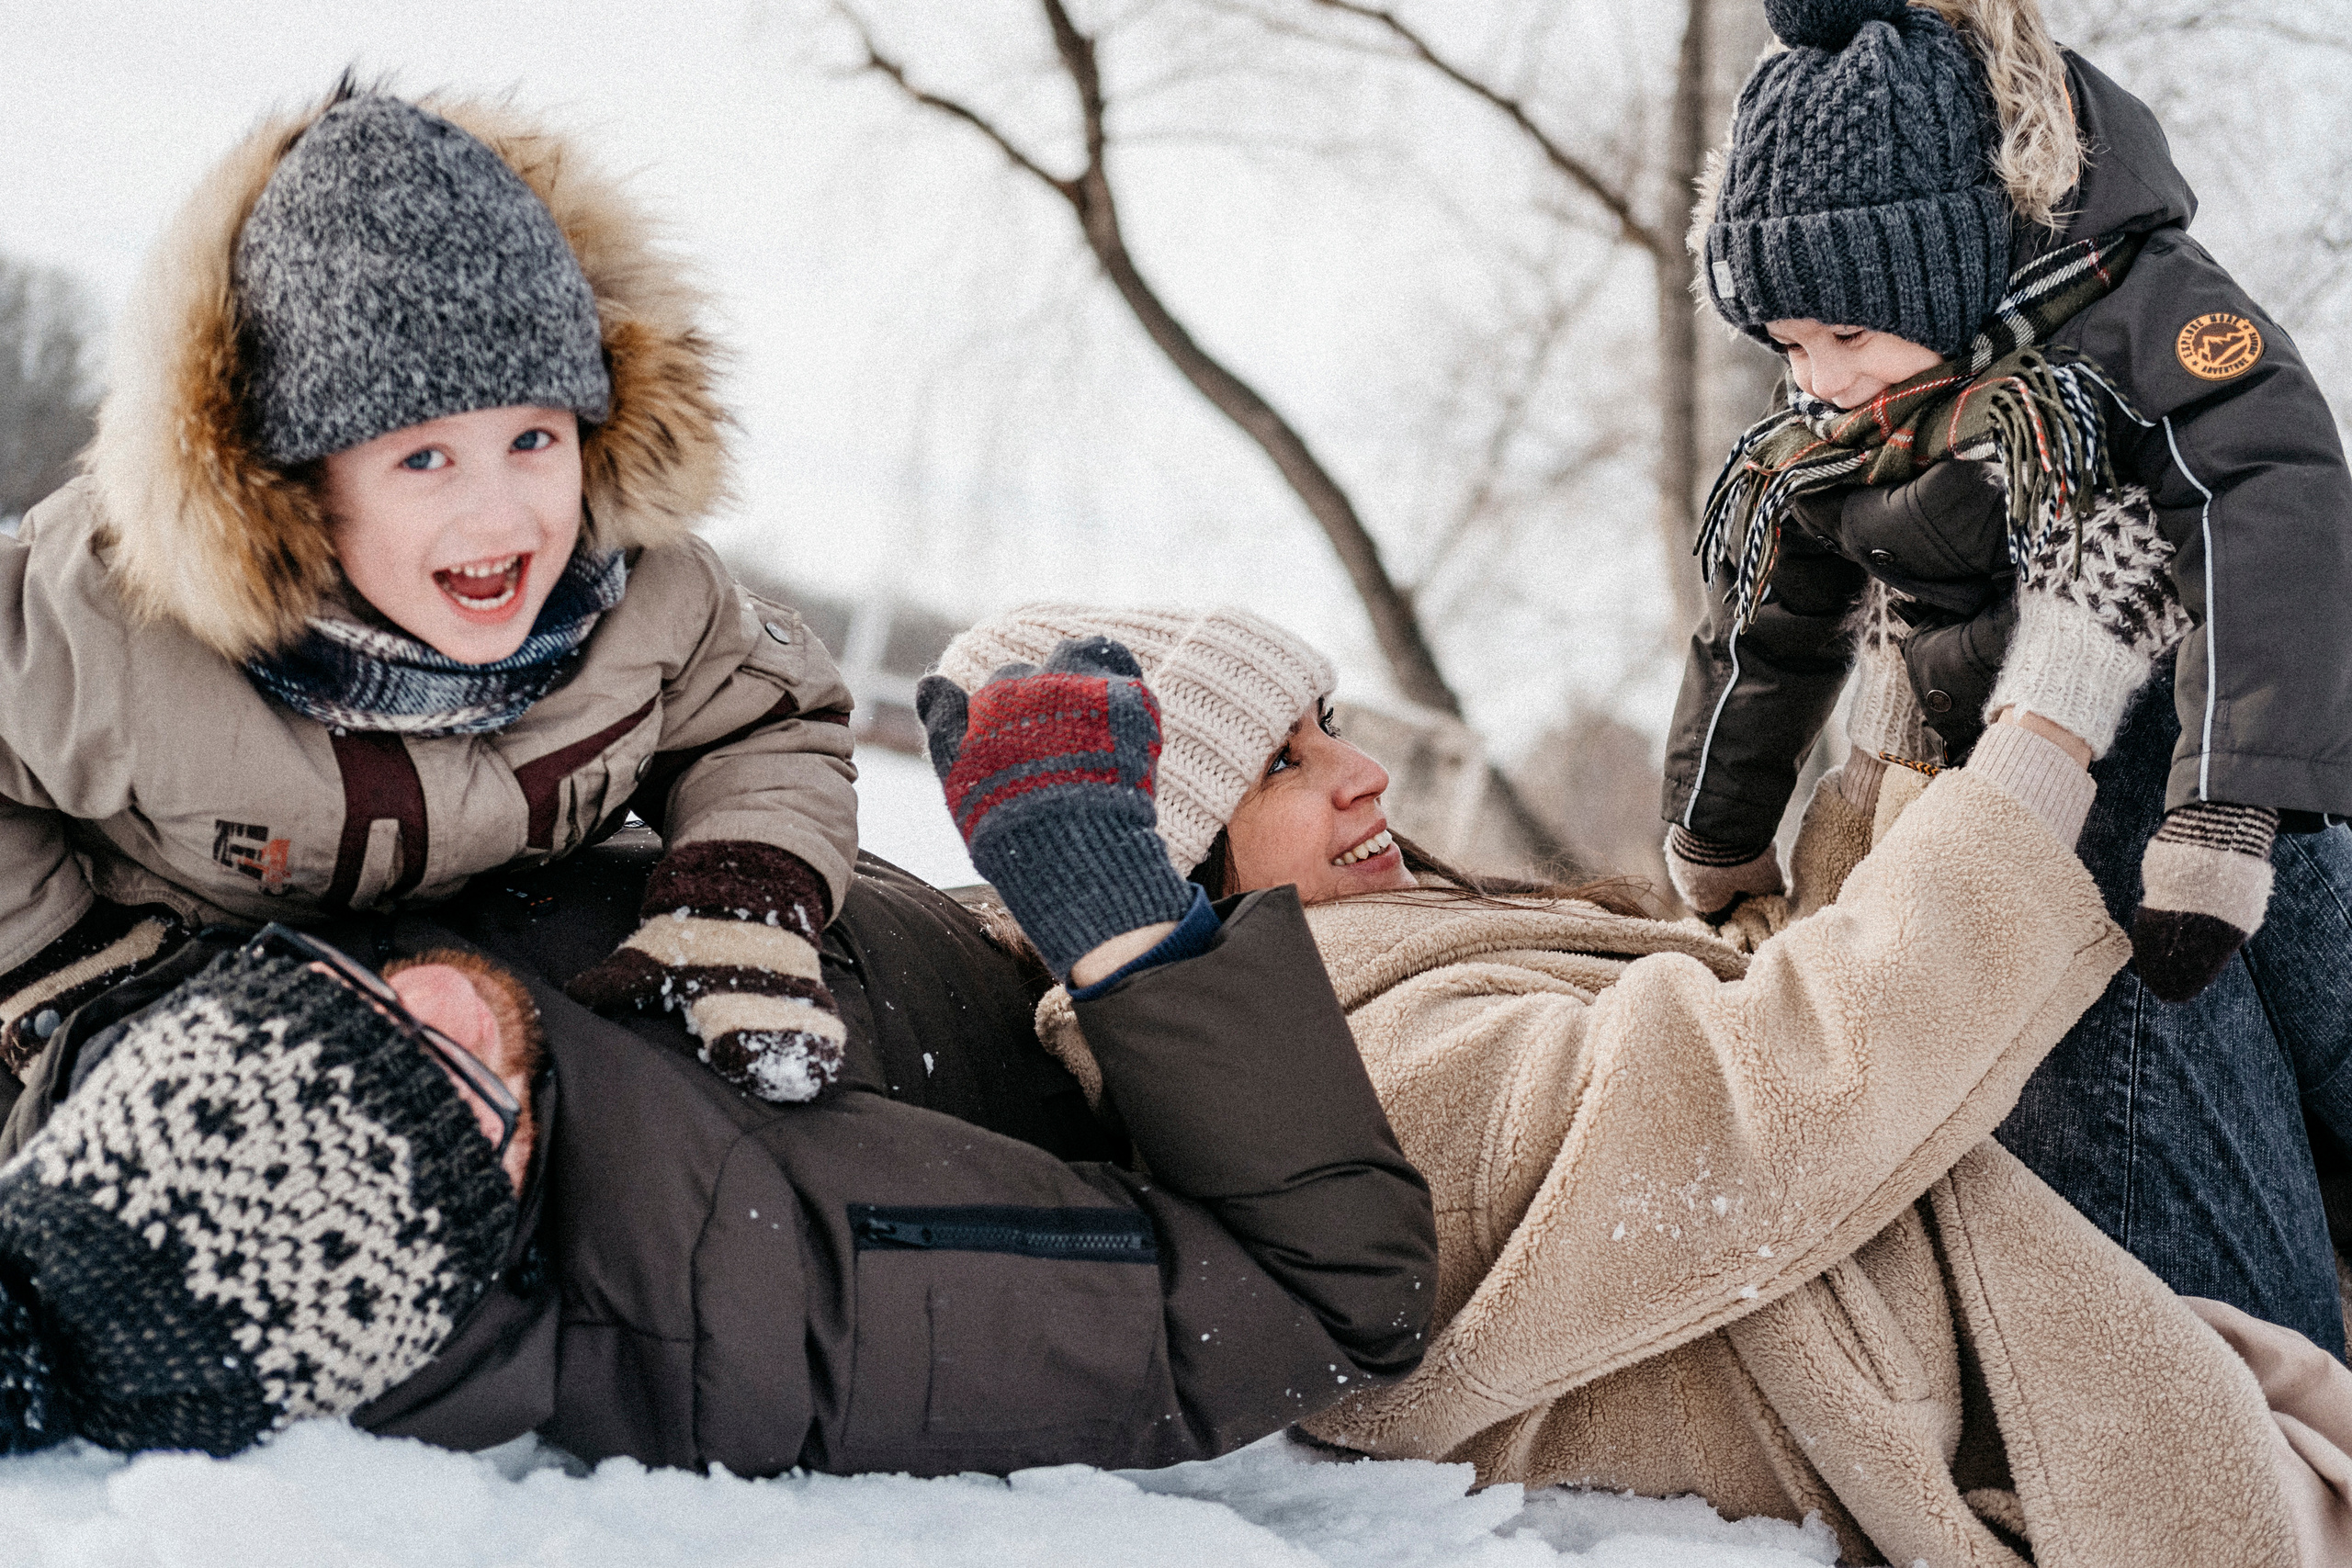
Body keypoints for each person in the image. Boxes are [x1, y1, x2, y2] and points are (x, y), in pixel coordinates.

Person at [931, 582, 2352, 1565]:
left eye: (1328, 720)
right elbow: (1775, 1089)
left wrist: (1898, 714)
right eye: (1279, 765)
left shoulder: (1369, 977)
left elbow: (1756, 991)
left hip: (2062, 1286)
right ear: (1167, 858)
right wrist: (2044, 722)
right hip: (2087, 1416)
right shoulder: (1337, 1088)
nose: (1362, 771)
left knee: (2182, 752)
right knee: (2160, 740)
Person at [0, 648, 1437, 1472]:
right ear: (462, 1248)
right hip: (1135, 1002)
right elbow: (1331, 1295)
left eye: (344, 1005)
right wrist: (1119, 910)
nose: (428, 1000)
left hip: (913, 904)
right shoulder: (741, 1285)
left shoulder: (108, 1077)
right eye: (437, 1099)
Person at [1658, 0, 2352, 1353]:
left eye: (1845, 335)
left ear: (1943, 269)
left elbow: (2269, 495)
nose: (1817, 382)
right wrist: (1716, 831)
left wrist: (2221, 823)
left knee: (2325, 1013)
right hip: (2032, 774)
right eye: (1786, 345)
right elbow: (1767, 626)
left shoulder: (2129, 310)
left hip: (2227, 762)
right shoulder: (1846, 419)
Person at [0, 80, 860, 1112]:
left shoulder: (648, 600)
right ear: (295, 479)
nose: (500, 520)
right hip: (173, 981)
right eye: (424, 459)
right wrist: (62, 965)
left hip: (465, 1009)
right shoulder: (107, 629)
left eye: (533, 440)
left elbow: (772, 719)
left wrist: (741, 892)